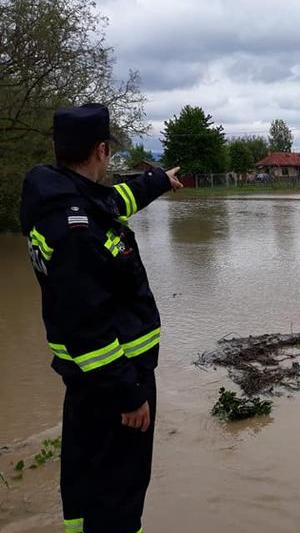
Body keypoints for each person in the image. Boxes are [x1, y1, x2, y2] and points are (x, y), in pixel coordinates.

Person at [19, 103, 182, 533]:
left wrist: (159, 181)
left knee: (85, 481)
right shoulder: (78, 231)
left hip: (88, 382)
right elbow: (87, 326)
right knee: (119, 495)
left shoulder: (63, 199)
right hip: (114, 381)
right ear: (102, 151)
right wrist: (127, 395)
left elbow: (118, 200)